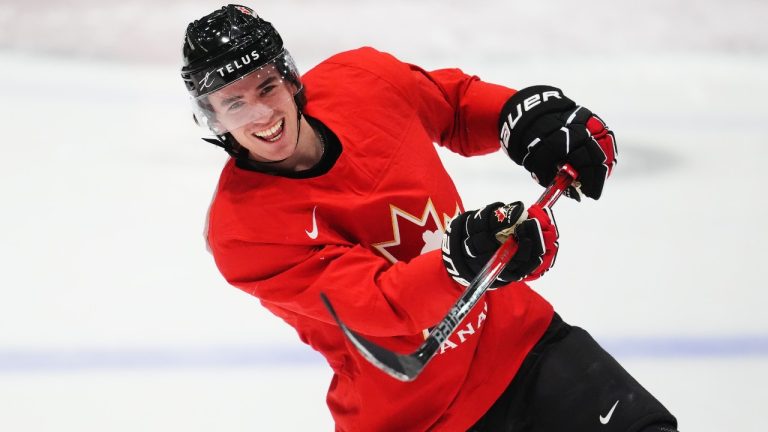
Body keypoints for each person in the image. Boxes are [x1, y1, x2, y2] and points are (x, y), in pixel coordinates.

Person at [180, 5, 678, 432]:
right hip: (417, 418)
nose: (261, 115)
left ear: (290, 79)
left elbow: (453, 106)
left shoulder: (361, 80)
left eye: (267, 87)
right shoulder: (242, 232)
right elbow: (383, 304)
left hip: (521, 343)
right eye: (234, 103)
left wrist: (519, 116)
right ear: (213, 118)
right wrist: (464, 260)